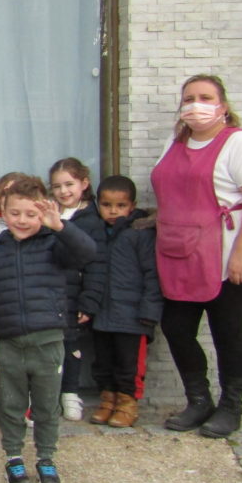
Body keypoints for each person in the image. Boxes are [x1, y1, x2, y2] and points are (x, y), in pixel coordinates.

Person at [151, 75, 242, 438]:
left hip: (226, 254)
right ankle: (198, 401)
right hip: (179, 251)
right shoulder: (175, 141)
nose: (195, 104)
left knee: (227, 331)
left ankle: (231, 406)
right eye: (189, 97)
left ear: (223, 105)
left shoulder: (240, 143)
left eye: (205, 97)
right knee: (176, 327)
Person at [0, 177, 96, 483]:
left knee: (46, 406)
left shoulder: (55, 247)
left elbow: (87, 252)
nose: (22, 220)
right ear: (3, 213)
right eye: (15, 213)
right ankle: (13, 457)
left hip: (49, 341)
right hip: (9, 342)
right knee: (11, 405)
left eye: (30, 214)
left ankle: (46, 458)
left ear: (43, 213)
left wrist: (61, 227)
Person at [80, 176, 162, 428]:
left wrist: (150, 312)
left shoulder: (140, 233)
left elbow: (153, 274)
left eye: (120, 206)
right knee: (102, 362)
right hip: (102, 313)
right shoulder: (95, 231)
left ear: (132, 205)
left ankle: (127, 404)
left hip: (132, 316)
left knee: (129, 365)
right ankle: (107, 401)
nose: (113, 211)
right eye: (106, 205)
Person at [48, 157, 107, 422]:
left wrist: (89, 300)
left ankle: (70, 392)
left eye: (69, 184)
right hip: (52, 292)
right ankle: (49, 393)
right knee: (50, 344)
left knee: (72, 343)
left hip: (76, 293)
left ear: (84, 183)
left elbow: (98, 262)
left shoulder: (92, 219)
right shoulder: (50, 214)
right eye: (57, 186)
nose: (63, 191)